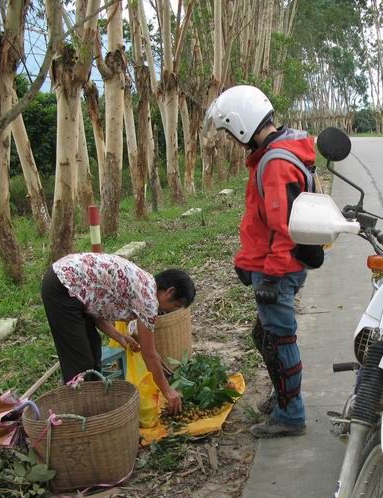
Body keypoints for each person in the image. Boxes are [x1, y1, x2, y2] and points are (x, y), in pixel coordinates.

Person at [205, 85, 321, 438]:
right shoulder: (281, 151)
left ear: (242, 124)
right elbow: (264, 221)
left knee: (279, 339)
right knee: (265, 335)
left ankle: (291, 415)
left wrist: (270, 275)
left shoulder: (274, 163)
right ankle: (283, 396)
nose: (230, 138)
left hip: (279, 270)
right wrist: (247, 259)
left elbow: (283, 227)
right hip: (274, 266)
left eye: (229, 130)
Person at [41, 253, 195, 414]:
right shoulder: (149, 299)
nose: (169, 311)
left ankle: (92, 408)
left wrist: (118, 335)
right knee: (80, 364)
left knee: (93, 353)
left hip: (71, 285)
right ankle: (77, 416)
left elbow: (95, 307)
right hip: (62, 285)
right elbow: (149, 353)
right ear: (169, 292)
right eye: (176, 305)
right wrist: (168, 391)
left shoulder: (145, 282)